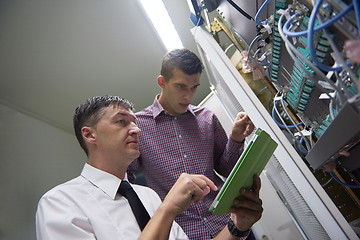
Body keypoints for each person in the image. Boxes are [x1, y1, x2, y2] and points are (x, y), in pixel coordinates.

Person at [35, 95, 263, 240]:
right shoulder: (60, 203)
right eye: (122, 121)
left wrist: (237, 226)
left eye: (135, 122)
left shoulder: (148, 197)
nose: (136, 129)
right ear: (89, 134)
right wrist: (167, 210)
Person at [127, 48, 255, 239]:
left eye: (194, 87)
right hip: (183, 233)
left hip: (229, 223)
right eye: (181, 86)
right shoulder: (138, 127)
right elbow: (126, 177)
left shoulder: (207, 118)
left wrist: (236, 138)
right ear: (162, 82)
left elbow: (227, 170)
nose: (188, 96)